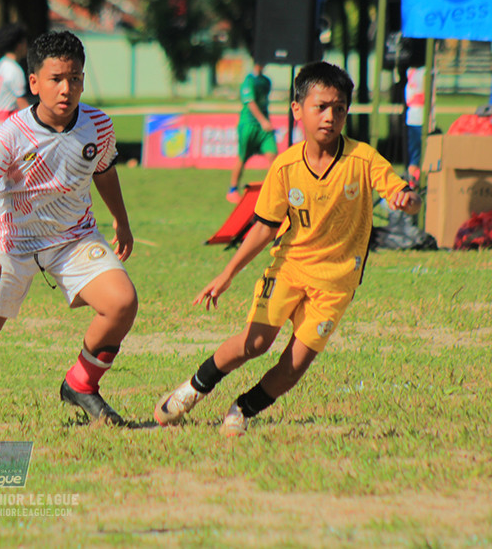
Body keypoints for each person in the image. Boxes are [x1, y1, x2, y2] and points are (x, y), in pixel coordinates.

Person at [155, 62, 421, 437]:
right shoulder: (285, 167)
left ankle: (242, 408)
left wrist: (408, 201)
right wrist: (227, 274)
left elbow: (403, 193)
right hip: (289, 270)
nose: (330, 117)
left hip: (336, 283)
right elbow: (264, 227)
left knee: (294, 366)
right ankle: (194, 388)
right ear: (297, 110)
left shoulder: (363, 159)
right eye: (321, 107)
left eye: (339, 108)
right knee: (254, 343)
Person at [0, 30, 138, 427]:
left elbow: (104, 170)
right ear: (34, 83)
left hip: (73, 238)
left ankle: (80, 385)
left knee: (122, 303)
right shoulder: (12, 134)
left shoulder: (98, 125)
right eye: (56, 79)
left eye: (75, 79)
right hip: (10, 245)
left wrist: (121, 219)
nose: (66, 89)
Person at [227, 62, 277, 203]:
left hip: (264, 128)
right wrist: (263, 121)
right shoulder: (248, 81)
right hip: (249, 124)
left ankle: (274, 190)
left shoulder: (266, 81)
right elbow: (250, 102)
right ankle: (232, 189)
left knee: (273, 156)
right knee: (242, 157)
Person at [0, 22, 31, 144]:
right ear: (19, 45)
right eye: (25, 42)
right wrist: (38, 122)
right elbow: (21, 102)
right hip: (5, 127)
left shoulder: (1, 65)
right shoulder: (14, 70)